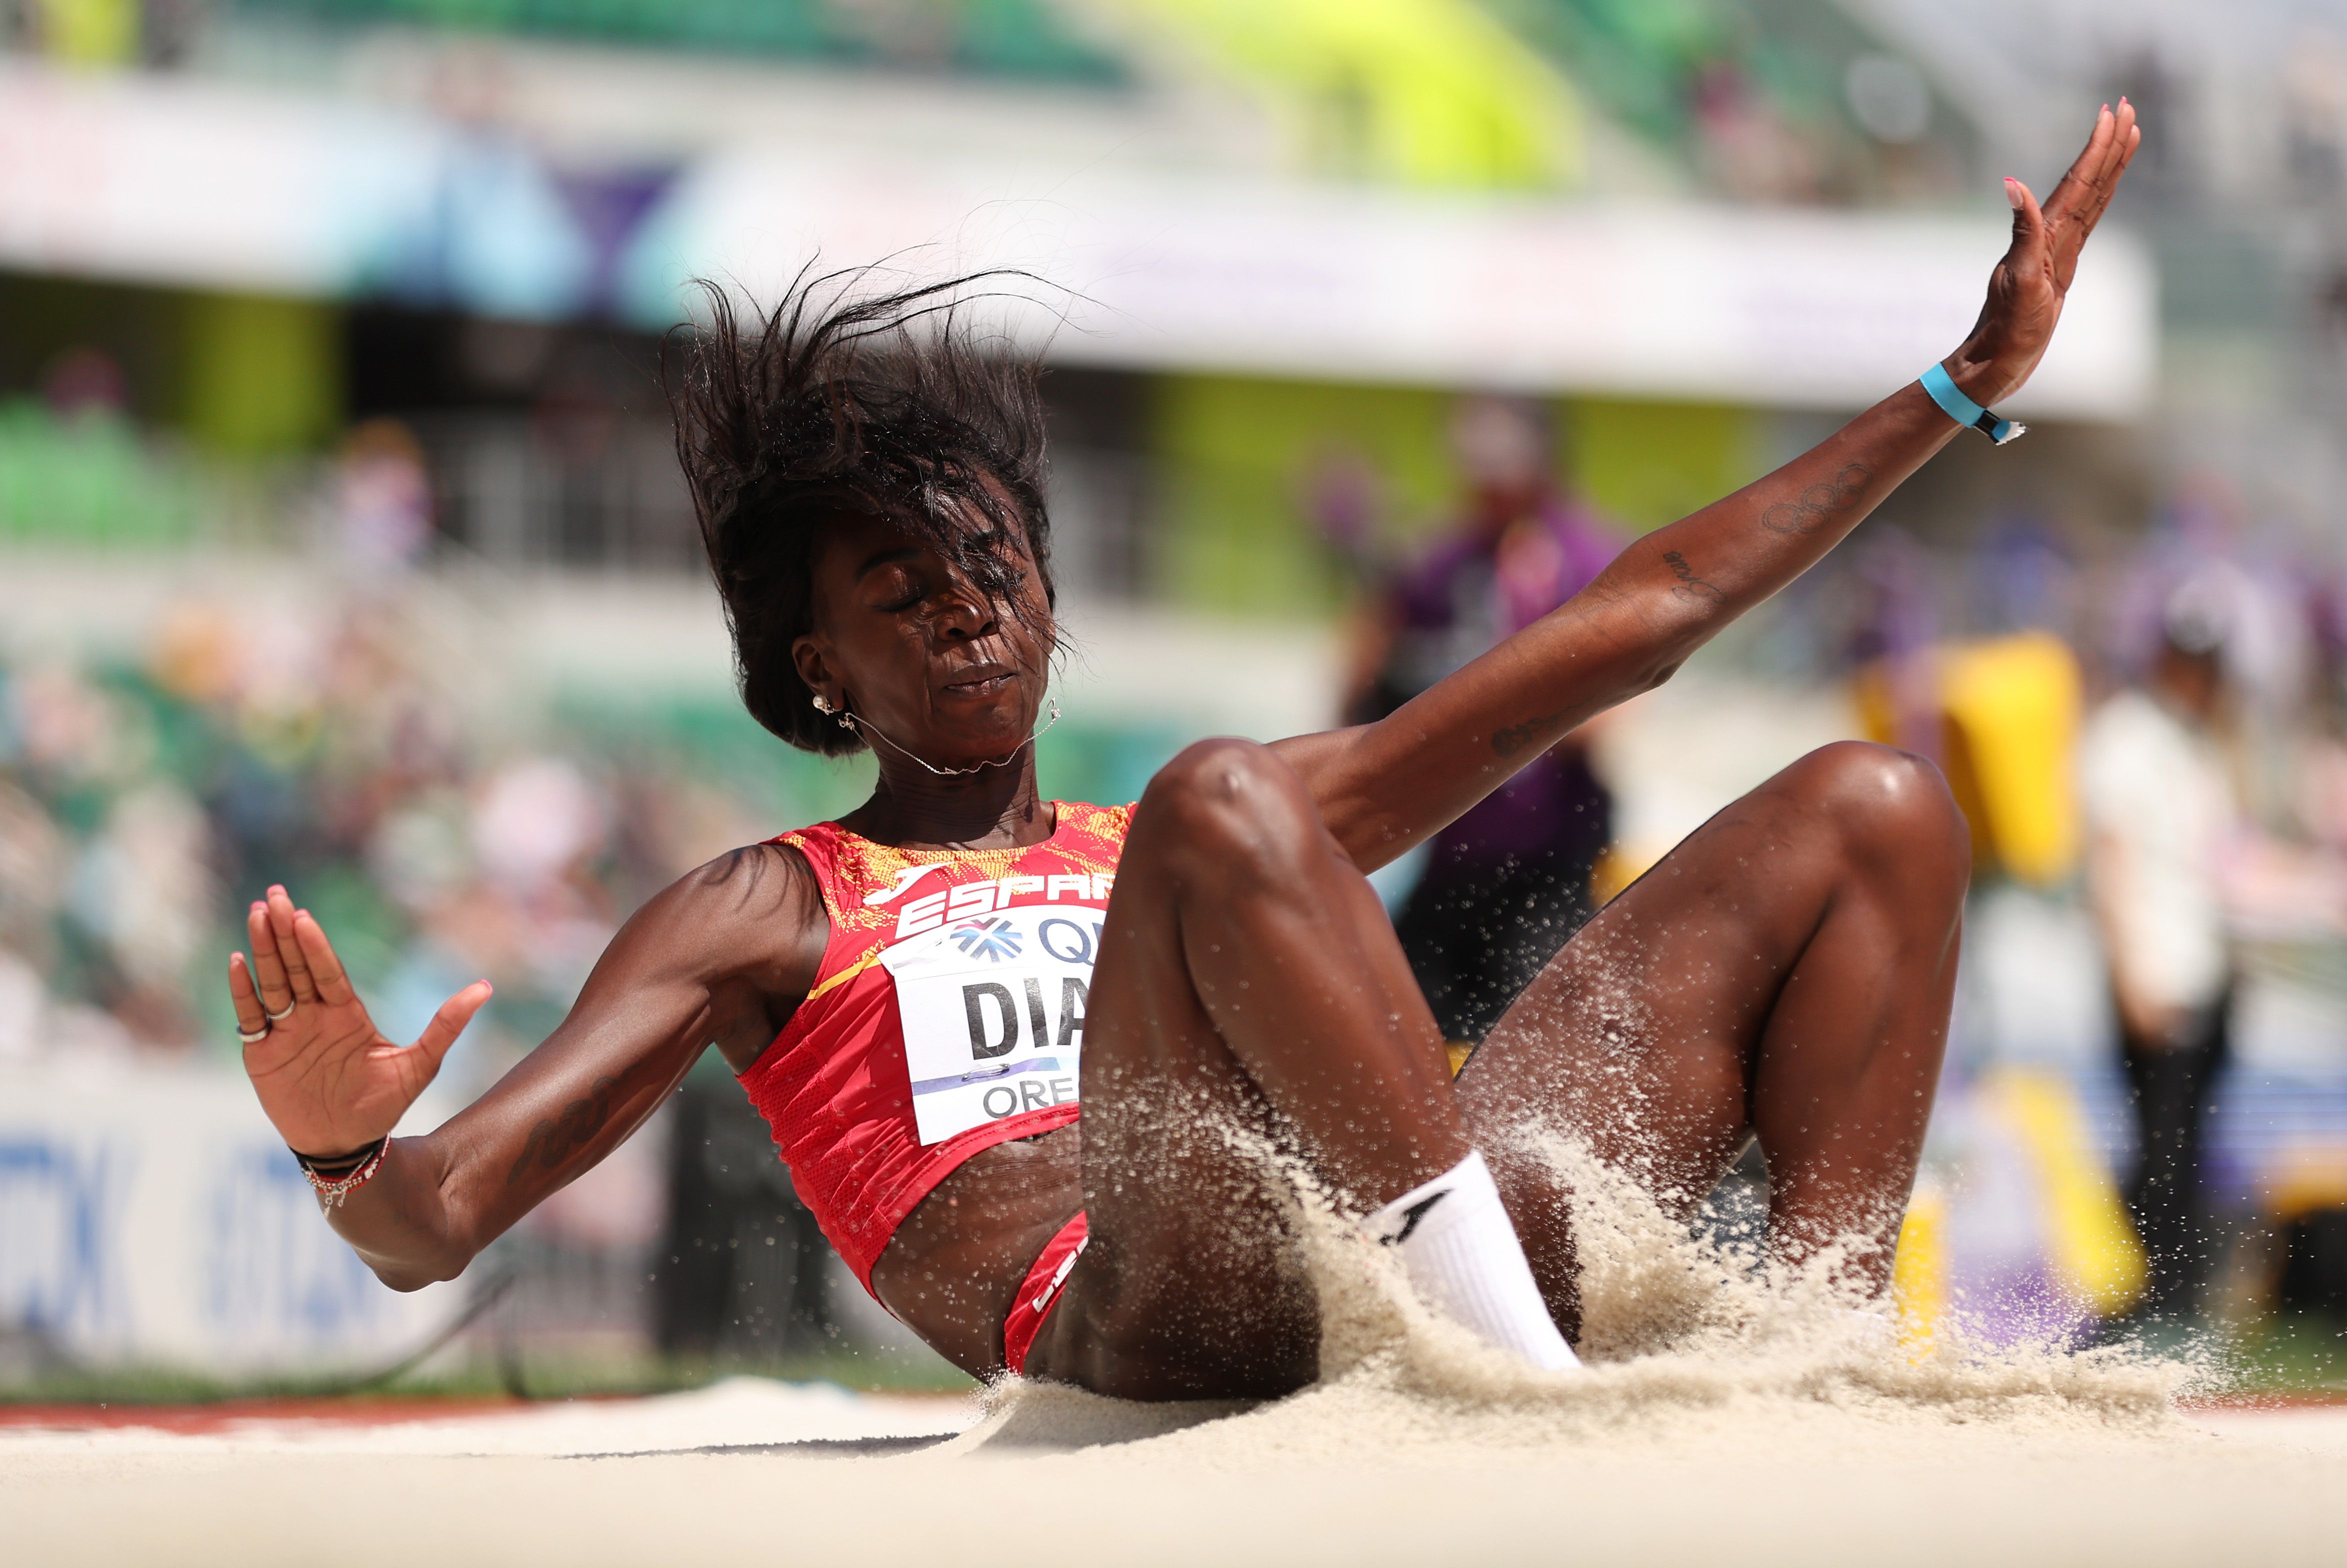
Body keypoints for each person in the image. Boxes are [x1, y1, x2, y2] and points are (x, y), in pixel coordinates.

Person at [228, 107, 2140, 1398]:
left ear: (1053, 604)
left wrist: (1948, 394)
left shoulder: (1186, 825)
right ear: (816, 667)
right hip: (1134, 1302)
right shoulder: (766, 904)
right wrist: (341, 1138)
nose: (966, 600)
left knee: (1866, 804)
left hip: (1386, 1219)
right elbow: (436, 1221)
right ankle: (1537, 1408)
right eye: (901, 586)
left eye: (991, 562)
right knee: (1228, 800)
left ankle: (1815, 1369)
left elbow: (1633, 614)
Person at [1342, 395, 1620, 1046]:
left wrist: (1490, 702)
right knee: (1390, 1029)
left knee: (1537, 1051)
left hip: (1548, 855)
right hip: (1454, 851)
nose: (1481, 474)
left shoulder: (1582, 554)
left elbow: (1610, 717)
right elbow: (1362, 673)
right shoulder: (1441, 558)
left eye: (1499, 456)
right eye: (1473, 455)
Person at [2081, 577, 2239, 1322]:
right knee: (2160, 1145)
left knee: (2186, 1144)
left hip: (2205, 966)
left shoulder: (2192, 740)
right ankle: (2152, 1301)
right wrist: (2130, 974)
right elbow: (2109, 866)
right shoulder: (2125, 736)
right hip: (2159, 971)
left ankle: (2174, 1298)